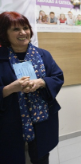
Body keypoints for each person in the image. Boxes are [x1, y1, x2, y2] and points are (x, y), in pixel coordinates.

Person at [0, 11, 64, 164]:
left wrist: (41, 83)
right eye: (15, 29)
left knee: (41, 157)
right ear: (4, 33)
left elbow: (57, 77)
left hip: (42, 122)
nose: (23, 33)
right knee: (11, 157)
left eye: (25, 28)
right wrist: (10, 89)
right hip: (10, 124)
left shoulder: (43, 55)